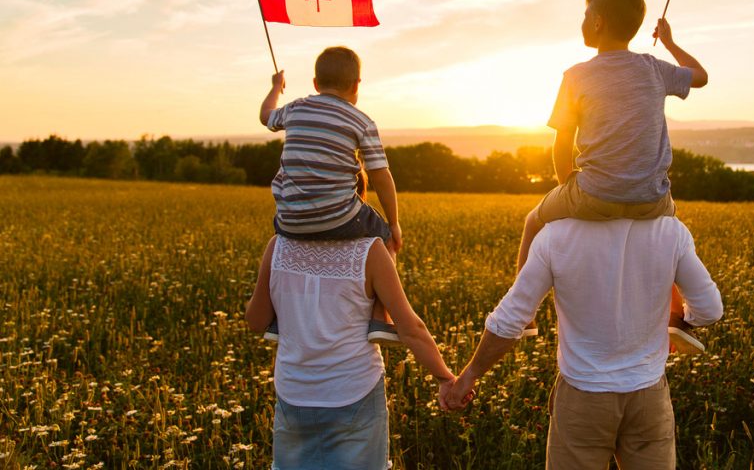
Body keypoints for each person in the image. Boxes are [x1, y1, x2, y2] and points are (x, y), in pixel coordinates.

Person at [514, 0, 709, 350]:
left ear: (599, 22)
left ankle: (524, 315)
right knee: (666, 229)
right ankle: (676, 315)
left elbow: (562, 142)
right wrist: (668, 42)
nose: (583, 21)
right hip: (652, 199)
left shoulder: (575, 76)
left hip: (594, 195)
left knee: (532, 222)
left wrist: (565, 186)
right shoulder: (654, 68)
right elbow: (700, 75)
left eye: (586, 15)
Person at [443, 216, 723, 469]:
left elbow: (510, 319)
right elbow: (709, 309)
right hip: (648, 395)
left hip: (582, 397)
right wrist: (680, 321)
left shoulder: (557, 234)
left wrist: (469, 376)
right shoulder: (670, 230)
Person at [245, 233, 456, 469]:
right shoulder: (370, 250)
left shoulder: (278, 246)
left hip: (294, 393)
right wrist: (445, 378)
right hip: (356, 392)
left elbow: (255, 321)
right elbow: (411, 329)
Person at [260, 46, 402, 344]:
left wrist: (276, 87)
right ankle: (380, 316)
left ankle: (275, 318)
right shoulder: (361, 121)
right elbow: (380, 175)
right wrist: (394, 223)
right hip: (339, 217)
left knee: (283, 248)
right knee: (385, 239)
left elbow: (265, 116)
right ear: (356, 85)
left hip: (288, 221)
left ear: (315, 83)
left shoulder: (295, 108)